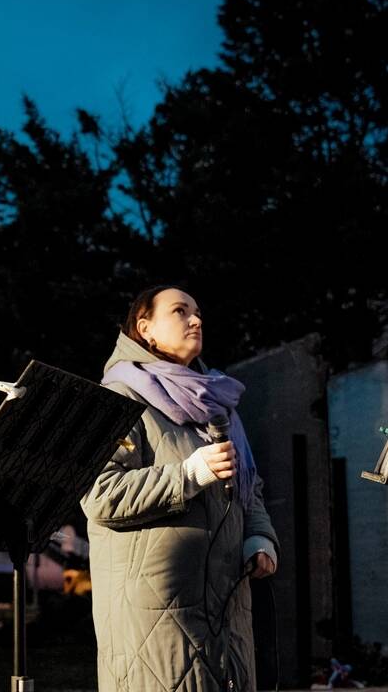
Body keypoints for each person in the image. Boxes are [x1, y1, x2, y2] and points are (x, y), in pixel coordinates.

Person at [81, 286, 279, 692]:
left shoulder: (217, 403)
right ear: (145, 328)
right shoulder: (119, 396)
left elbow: (248, 484)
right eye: (179, 311)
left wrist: (259, 536)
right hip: (156, 622)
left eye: (198, 312)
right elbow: (99, 493)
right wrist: (189, 474)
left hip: (227, 612)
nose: (196, 320)